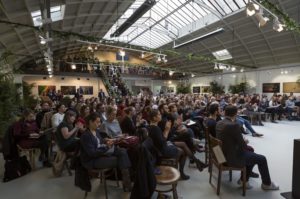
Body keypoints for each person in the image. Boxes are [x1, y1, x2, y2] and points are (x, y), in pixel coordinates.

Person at [216, 105, 279, 190]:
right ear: (235, 114)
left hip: (220, 155)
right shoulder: (233, 125)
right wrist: (245, 141)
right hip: (231, 158)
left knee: (252, 155)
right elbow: (243, 146)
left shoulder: (219, 123)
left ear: (225, 113)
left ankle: (244, 180)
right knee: (262, 159)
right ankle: (266, 184)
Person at [80, 112, 132, 192]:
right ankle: (127, 184)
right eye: (97, 122)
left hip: (100, 153)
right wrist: (107, 147)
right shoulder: (86, 136)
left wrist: (106, 140)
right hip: (92, 160)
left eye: (99, 122)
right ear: (90, 122)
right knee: (120, 159)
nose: (99, 124)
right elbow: (92, 153)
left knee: (123, 151)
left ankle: (126, 183)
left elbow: (99, 141)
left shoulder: (95, 131)